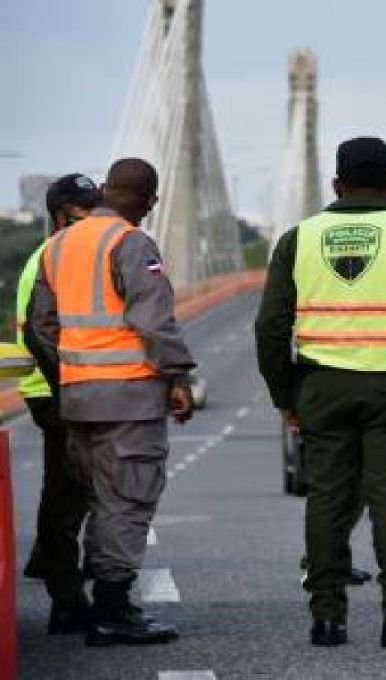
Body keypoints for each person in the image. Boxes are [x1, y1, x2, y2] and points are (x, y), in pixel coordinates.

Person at [255, 136, 386, 648]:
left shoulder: (298, 238)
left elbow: (269, 327)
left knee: (327, 499)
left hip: (322, 387)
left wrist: (286, 398)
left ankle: (327, 619)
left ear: (336, 184)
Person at [25, 158, 196, 647]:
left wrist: (73, 373)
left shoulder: (57, 246)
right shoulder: (131, 242)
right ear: (149, 201)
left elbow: (40, 326)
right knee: (128, 500)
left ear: (104, 188)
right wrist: (177, 376)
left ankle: (102, 604)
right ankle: (113, 609)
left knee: (100, 500)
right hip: (130, 397)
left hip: (78, 398)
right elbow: (154, 319)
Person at [16, 174, 100, 634]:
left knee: (68, 491)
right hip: (56, 390)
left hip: (62, 387)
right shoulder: (53, 257)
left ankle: (47, 562)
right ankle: (66, 600)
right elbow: (40, 332)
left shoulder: (64, 253)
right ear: (63, 216)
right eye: (87, 211)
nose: (96, 218)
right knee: (68, 495)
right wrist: (73, 387)